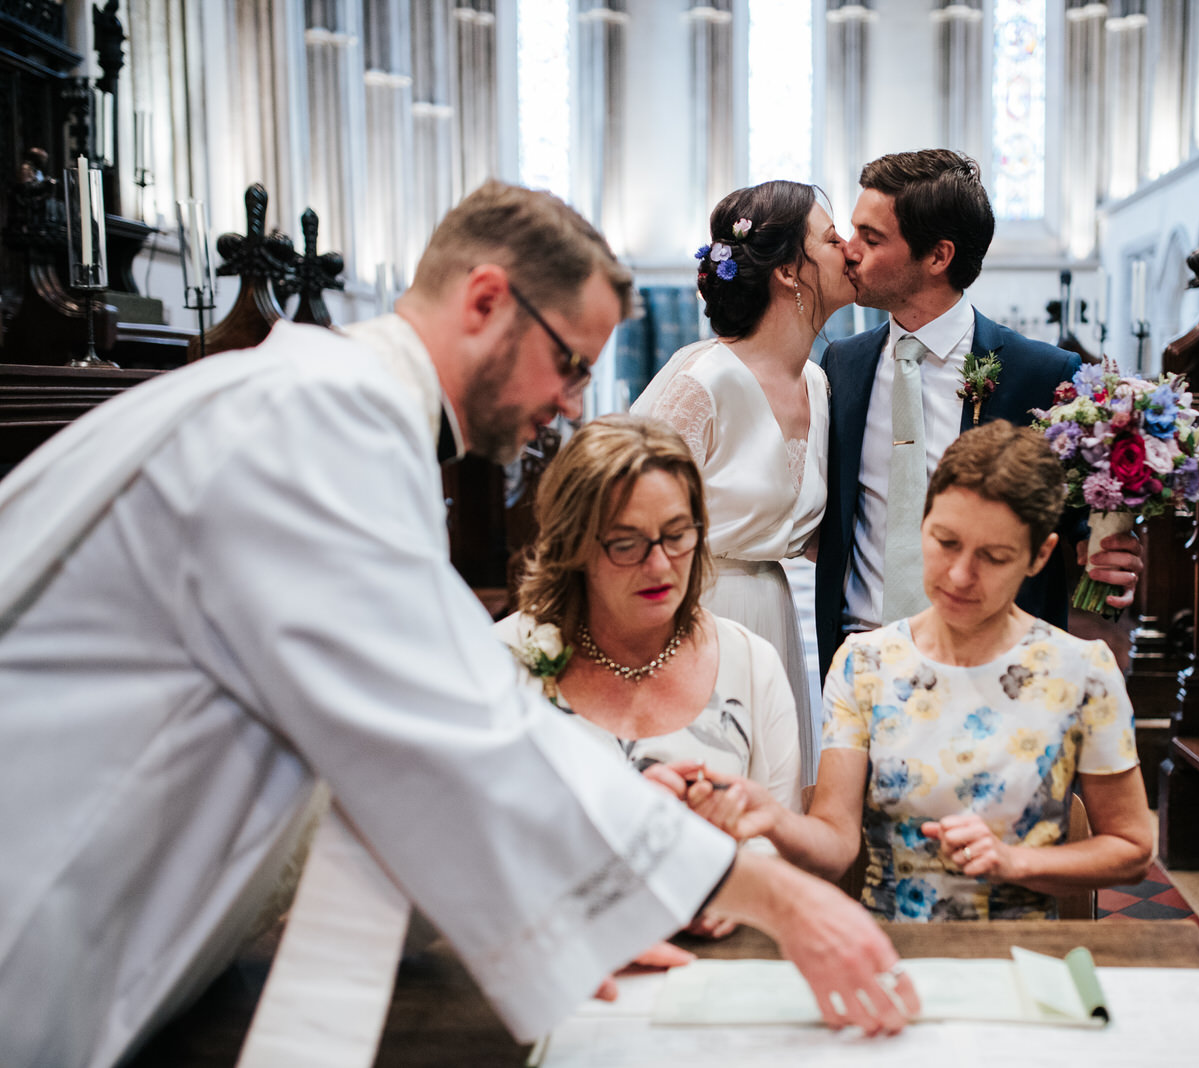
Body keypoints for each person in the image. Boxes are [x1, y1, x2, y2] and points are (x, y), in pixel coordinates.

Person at [0, 181, 916, 1068]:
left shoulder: (333, 404)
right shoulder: (317, 423)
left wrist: (568, 916)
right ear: (486, 301)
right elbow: (460, 725)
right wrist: (773, 896)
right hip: (45, 896)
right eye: (569, 365)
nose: (569, 404)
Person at [693, 422, 1154, 921]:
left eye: (994, 557)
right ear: (921, 522)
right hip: (894, 953)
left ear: (1039, 556)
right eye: (945, 542)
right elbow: (836, 843)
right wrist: (774, 820)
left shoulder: (1082, 673)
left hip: (1020, 957)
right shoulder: (866, 663)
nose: (959, 575)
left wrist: (1015, 862)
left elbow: (1131, 848)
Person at [815, 149, 1144, 671]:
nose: (847, 251)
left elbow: (1079, 514)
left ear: (938, 257)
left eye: (870, 238)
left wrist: (1106, 549)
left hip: (998, 661)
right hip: (862, 655)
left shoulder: (1043, 374)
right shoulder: (842, 365)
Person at [492, 415, 805, 934]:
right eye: (627, 543)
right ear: (574, 546)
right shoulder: (503, 663)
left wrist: (728, 891)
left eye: (677, 535)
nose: (660, 567)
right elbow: (476, 855)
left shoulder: (750, 664)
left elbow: (775, 848)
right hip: (559, 969)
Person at [633, 180, 854, 779]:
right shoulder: (703, 382)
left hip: (772, 613)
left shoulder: (820, 385)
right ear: (788, 272)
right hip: (693, 613)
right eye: (832, 238)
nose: (849, 249)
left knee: (772, 805)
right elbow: (623, 515)